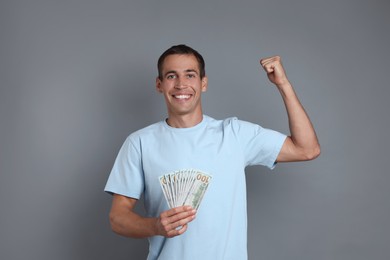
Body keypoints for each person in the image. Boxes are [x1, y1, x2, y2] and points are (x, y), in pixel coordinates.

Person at [104, 44, 320, 260]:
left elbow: (307, 149)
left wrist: (283, 84)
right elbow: (118, 218)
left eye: (190, 75)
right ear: (159, 84)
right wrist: (155, 226)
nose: (181, 84)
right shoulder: (139, 143)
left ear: (203, 83)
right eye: (171, 76)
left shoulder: (234, 134)